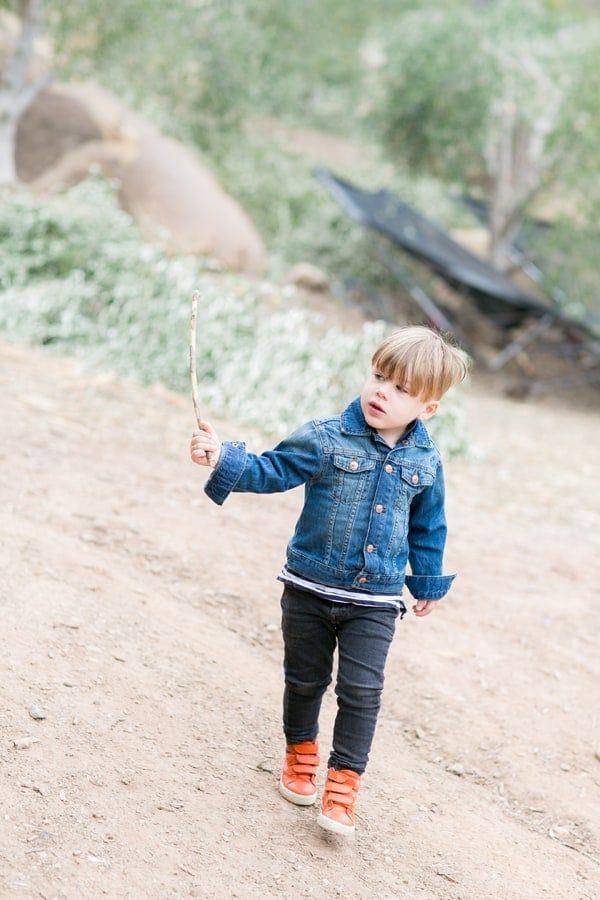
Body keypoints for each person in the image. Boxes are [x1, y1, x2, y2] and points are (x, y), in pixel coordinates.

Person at [190, 325, 470, 836]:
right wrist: (222, 457)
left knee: (362, 692)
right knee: (305, 680)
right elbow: (272, 469)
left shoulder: (425, 461)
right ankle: (300, 755)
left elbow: (430, 525)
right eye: (379, 376)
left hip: (376, 600)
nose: (382, 391)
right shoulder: (324, 437)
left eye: (402, 388)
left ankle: (343, 784)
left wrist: (426, 581)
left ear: (428, 408)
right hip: (309, 588)